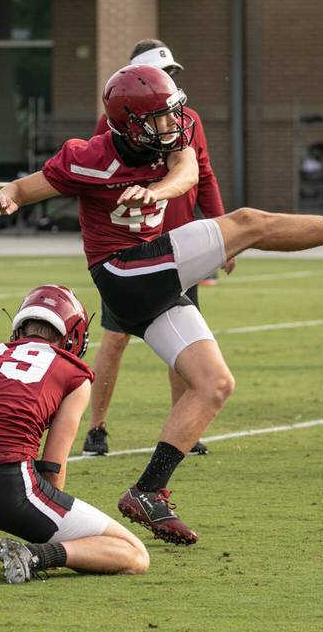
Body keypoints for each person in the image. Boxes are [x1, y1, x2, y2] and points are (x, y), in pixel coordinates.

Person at [0, 64, 323, 545]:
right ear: (129, 123)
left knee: (215, 384)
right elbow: (24, 188)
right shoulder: (86, 156)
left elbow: (187, 172)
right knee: (249, 223)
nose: (173, 124)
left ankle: (147, 491)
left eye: (171, 113)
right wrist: (4, 198)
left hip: (150, 280)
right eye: (160, 117)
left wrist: (155, 191)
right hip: (121, 273)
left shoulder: (170, 142)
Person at [0, 284, 149, 584]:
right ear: (74, 337)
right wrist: (47, 535)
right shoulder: (73, 372)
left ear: (19, 329)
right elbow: (52, 468)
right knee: (134, 554)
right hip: (9, 491)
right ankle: (36, 555)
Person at [83, 39, 233, 458]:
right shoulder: (112, 125)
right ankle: (96, 428)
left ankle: (185, 424)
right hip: (134, 249)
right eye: (161, 73)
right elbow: (93, 178)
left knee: (186, 343)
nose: (169, 81)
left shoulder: (188, 119)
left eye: (172, 74)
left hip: (182, 248)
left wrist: (222, 231)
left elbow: (204, 173)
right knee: (115, 339)